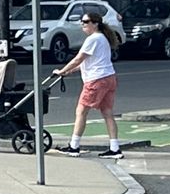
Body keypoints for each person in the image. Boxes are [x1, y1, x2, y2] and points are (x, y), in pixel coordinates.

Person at [53, 12, 124, 157]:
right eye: (82, 22)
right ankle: (115, 148)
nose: (83, 24)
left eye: (86, 21)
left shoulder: (93, 39)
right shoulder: (102, 38)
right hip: (109, 77)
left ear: (95, 23)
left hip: (96, 80)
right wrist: (69, 72)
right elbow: (89, 62)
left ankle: (74, 147)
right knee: (108, 113)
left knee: (81, 111)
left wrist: (62, 71)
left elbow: (78, 59)